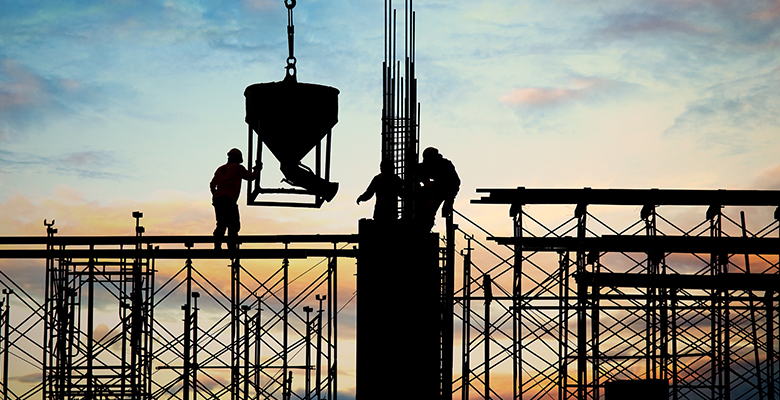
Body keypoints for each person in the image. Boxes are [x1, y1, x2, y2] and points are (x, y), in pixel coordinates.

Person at [210, 148, 260, 250]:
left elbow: (212, 185)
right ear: (238, 159)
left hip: (218, 200)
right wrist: (258, 169)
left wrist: (215, 194)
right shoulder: (237, 168)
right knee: (233, 224)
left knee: (221, 223)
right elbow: (251, 177)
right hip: (229, 199)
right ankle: (232, 249)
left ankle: (217, 247)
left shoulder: (221, 169)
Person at [417, 147, 460, 232]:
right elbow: (422, 169)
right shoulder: (435, 163)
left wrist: (449, 201)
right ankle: (424, 224)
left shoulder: (444, 166)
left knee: (428, 211)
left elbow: (454, 184)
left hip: (445, 189)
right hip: (443, 189)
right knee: (426, 209)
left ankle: (424, 225)